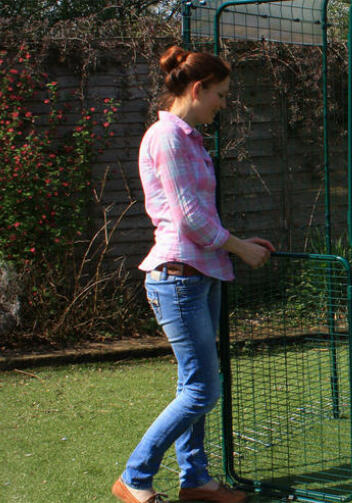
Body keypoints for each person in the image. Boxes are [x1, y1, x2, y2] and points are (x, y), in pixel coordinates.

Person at [113, 46, 274, 503]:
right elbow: (189, 221)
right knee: (202, 389)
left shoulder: (189, 138)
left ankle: (196, 480)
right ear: (198, 89)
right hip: (178, 276)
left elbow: (199, 216)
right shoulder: (167, 137)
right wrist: (240, 248)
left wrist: (237, 242)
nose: (223, 104)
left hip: (199, 273)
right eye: (220, 95)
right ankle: (135, 477)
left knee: (194, 385)